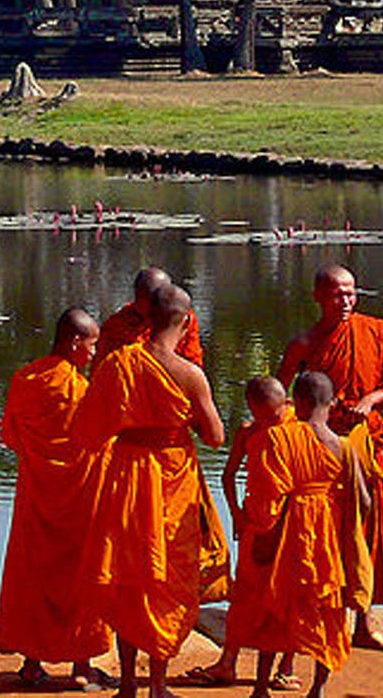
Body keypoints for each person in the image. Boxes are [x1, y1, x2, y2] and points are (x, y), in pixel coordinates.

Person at [77, 286, 227, 698]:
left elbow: (87, 432)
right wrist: (183, 419)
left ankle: (128, 683)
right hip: (172, 476)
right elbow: (215, 436)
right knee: (167, 580)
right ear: (186, 320)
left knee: (128, 578)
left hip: (126, 473)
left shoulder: (117, 363)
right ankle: (157, 685)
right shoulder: (189, 374)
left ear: (148, 318)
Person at [276, 265, 383, 651]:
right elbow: (280, 394)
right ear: (318, 297)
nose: (346, 301)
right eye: (337, 294)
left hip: (364, 444)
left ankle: (364, 623)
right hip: (319, 449)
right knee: (321, 534)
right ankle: (312, 624)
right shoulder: (304, 343)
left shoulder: (375, 332)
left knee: (367, 530)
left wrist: (370, 400)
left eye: (351, 293)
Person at [0, 308, 112, 691]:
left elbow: (10, 436)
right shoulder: (82, 392)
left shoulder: (25, 379)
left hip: (36, 497)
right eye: (92, 344)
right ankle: (82, 668)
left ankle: (32, 664)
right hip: (79, 500)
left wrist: (41, 462)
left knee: (35, 576)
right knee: (81, 577)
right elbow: (101, 443)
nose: (95, 353)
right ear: (75, 342)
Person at [237, 372, 366, 698]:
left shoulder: (280, 438)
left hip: (287, 534)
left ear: (298, 401)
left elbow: (269, 496)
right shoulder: (346, 447)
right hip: (327, 539)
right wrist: (342, 529)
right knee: (328, 610)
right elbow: (364, 501)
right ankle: (317, 688)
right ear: (332, 403)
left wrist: (262, 533)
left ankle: (262, 688)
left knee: (275, 606)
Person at [191, 377, 294, 689]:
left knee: (287, 595)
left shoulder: (298, 428)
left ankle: (286, 667)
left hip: (290, 526)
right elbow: (229, 473)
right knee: (244, 595)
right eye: (263, 416)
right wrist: (235, 513)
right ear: (252, 409)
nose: (270, 422)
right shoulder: (250, 432)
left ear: (285, 404)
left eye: (273, 415)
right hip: (255, 521)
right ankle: (227, 663)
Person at [95, 267, 205, 371]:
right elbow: (101, 369)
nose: (151, 314)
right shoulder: (117, 325)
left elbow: (193, 362)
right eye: (143, 303)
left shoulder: (181, 318)